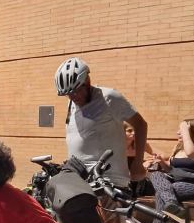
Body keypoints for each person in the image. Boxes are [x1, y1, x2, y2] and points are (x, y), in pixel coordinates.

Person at [57, 57, 148, 190]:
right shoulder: (71, 103)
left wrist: (138, 163)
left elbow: (140, 125)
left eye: (76, 91)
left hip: (108, 181)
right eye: (68, 94)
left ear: (87, 81)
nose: (73, 97)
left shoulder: (109, 97)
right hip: (79, 179)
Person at [125, 121, 155, 198]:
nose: (134, 133)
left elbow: (161, 155)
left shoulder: (141, 144)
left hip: (135, 177)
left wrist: (149, 161)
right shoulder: (117, 145)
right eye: (129, 131)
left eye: (135, 130)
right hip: (121, 175)